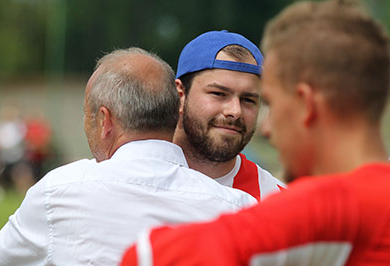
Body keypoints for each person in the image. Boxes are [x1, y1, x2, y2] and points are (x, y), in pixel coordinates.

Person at [120, 0, 390, 265]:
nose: (267, 127)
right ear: (180, 94)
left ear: (306, 105)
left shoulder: (328, 210)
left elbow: (145, 257)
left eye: (264, 101)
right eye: (218, 93)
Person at [0, 48, 256, 266]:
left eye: (88, 115)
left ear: (105, 120)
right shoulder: (239, 210)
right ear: (177, 113)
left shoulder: (58, 192)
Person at [173, 30, 285, 201]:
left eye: (248, 100)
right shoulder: (130, 178)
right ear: (180, 94)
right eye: (218, 94)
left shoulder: (276, 201)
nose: (235, 111)